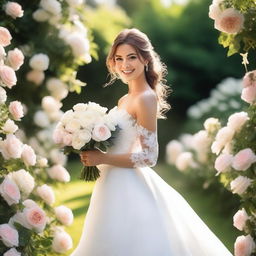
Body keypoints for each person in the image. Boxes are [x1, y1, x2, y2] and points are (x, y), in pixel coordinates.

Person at [70, 28, 232, 256]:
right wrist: (90, 143)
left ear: (145, 59)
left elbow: (149, 156)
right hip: (110, 181)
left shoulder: (146, 98)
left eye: (132, 57)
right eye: (119, 58)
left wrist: (103, 157)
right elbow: (121, 142)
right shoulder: (125, 99)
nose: (125, 64)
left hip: (127, 185)